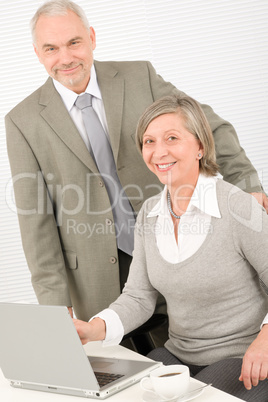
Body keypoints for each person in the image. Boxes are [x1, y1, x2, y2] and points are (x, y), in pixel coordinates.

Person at [5, 0, 267, 327]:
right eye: (51, 48)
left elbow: (210, 127)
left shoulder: (138, 75)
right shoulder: (22, 121)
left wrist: (248, 186)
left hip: (172, 247)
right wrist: (54, 308)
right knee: (126, 367)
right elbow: (36, 222)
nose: (66, 58)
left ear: (91, 37)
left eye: (74, 42)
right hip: (94, 278)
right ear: (37, 52)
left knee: (192, 347)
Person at [73, 94, 268, 401]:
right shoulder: (149, 215)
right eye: (148, 141)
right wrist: (92, 329)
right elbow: (138, 297)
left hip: (241, 358)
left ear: (200, 147)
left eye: (172, 138)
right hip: (177, 355)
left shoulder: (238, 207)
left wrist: (266, 340)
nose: (159, 151)